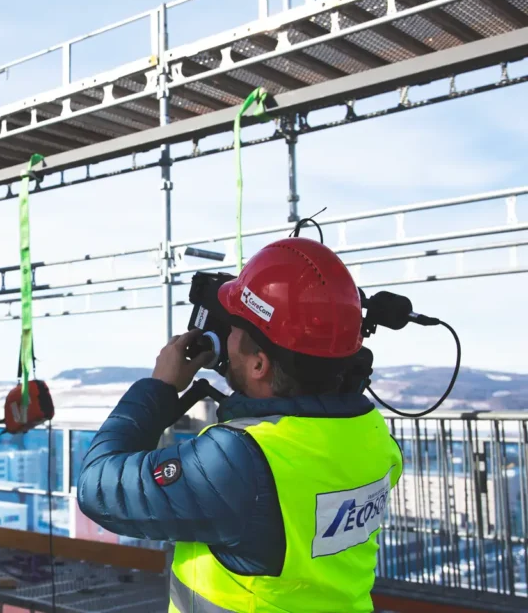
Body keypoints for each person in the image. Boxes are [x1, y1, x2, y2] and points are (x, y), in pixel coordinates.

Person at [76, 237, 404, 613]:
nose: (226, 334)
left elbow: (96, 485)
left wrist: (159, 387)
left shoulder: (240, 460)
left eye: (234, 327)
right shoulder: (371, 434)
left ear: (260, 365)